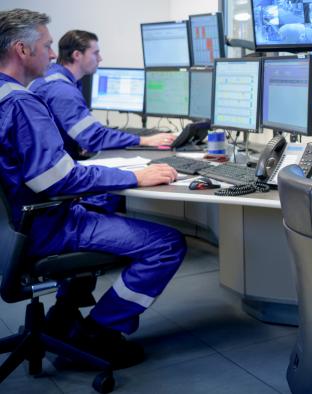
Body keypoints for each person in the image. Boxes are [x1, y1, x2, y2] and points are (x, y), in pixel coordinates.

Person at [0, 9, 187, 369]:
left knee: (103, 205)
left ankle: (64, 314)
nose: (52, 55)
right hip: (46, 226)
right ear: (22, 50)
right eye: (47, 45)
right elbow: (57, 179)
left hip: (15, 228)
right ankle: (100, 331)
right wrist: (134, 177)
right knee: (166, 244)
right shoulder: (21, 105)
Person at [29, 29, 175, 160]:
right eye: (95, 53)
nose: (100, 58)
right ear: (77, 55)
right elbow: (93, 138)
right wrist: (145, 140)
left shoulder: (53, 77)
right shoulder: (63, 91)